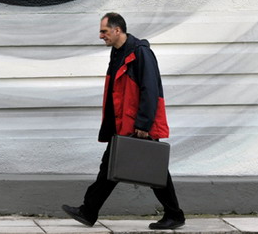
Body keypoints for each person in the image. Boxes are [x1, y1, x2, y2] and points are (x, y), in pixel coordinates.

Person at [63, 12, 185, 230]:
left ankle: (174, 214)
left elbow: (150, 90)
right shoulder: (118, 53)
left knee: (152, 169)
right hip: (122, 124)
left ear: (117, 30)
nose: (101, 35)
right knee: (110, 168)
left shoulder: (140, 53)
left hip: (137, 125)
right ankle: (89, 210)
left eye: (104, 31)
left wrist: (143, 124)